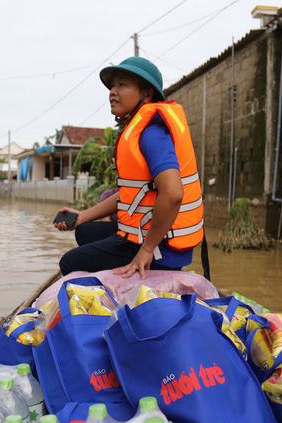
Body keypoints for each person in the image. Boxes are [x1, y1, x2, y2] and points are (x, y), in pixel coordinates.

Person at [55, 56, 205, 280]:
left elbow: (173, 194)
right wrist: (83, 216)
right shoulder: (139, 129)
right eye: (113, 85)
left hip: (160, 248)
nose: (112, 92)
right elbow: (130, 196)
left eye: (122, 85)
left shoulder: (152, 134)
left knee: (69, 262)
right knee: (85, 231)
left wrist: (145, 251)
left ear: (148, 93)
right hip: (150, 235)